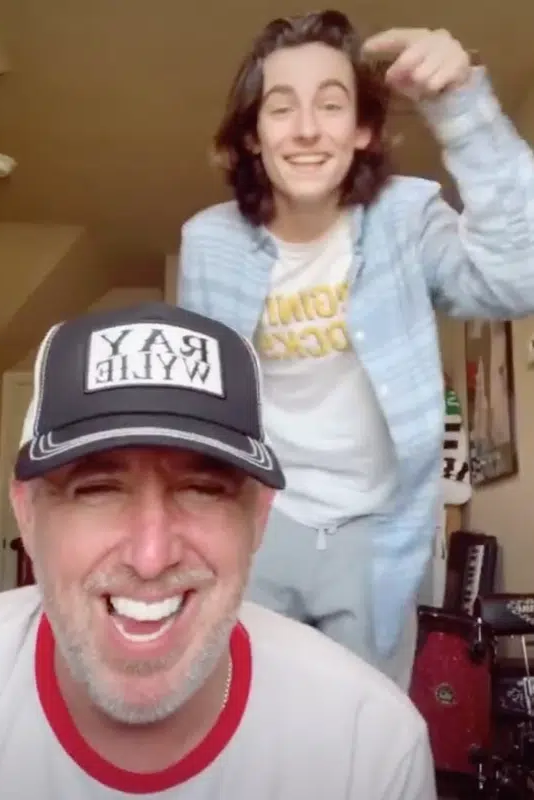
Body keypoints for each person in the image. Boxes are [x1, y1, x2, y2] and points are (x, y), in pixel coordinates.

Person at [177, 10, 534, 689]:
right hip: (259, 519)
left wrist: (463, 107)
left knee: (365, 720)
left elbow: (520, 275)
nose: (307, 128)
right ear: (254, 136)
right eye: (281, 107)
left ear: (363, 129)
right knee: (240, 710)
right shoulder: (208, 243)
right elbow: (201, 403)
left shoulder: (406, 219)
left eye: (332, 104)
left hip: (379, 534)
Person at [0, 301, 437, 798]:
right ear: (27, 514)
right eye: (97, 489)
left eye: (203, 489)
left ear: (259, 517)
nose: (151, 558)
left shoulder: (370, 751)